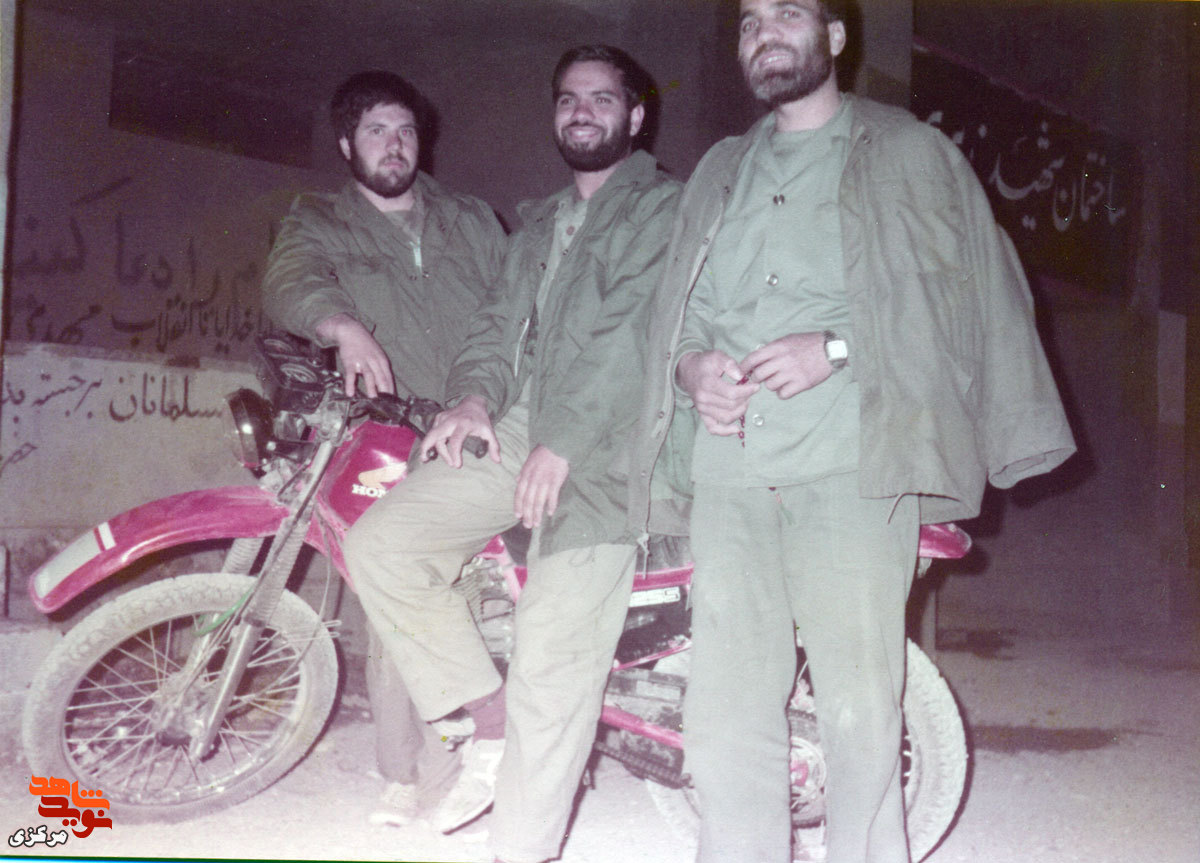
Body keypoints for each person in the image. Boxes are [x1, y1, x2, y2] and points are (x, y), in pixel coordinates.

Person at [627, 2, 1077, 862]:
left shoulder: (909, 152)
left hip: (853, 463)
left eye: (788, 12)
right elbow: (685, 306)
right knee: (725, 707)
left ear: (834, 37)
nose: (765, 32)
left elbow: (962, 300)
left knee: (859, 702)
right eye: (750, 20)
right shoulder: (722, 167)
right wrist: (691, 370)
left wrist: (835, 348)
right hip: (731, 468)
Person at [345, 45, 681, 863]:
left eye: (602, 99)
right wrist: (471, 399)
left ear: (636, 117)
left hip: (614, 443)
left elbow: (631, 338)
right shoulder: (538, 225)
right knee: (381, 542)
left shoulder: (662, 208)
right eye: (568, 99)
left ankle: (520, 850)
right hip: (530, 426)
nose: (581, 112)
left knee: (550, 658)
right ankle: (487, 723)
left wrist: (563, 442)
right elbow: (495, 329)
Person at [260, 69, 507, 825]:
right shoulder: (320, 219)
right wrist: (341, 325)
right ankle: (406, 772)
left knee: (469, 583)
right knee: (393, 580)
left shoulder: (470, 219)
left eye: (405, 131)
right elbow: (290, 279)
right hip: (390, 426)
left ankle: (472, 745)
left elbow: (515, 307)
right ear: (347, 145)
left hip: (478, 418)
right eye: (375, 131)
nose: (394, 145)